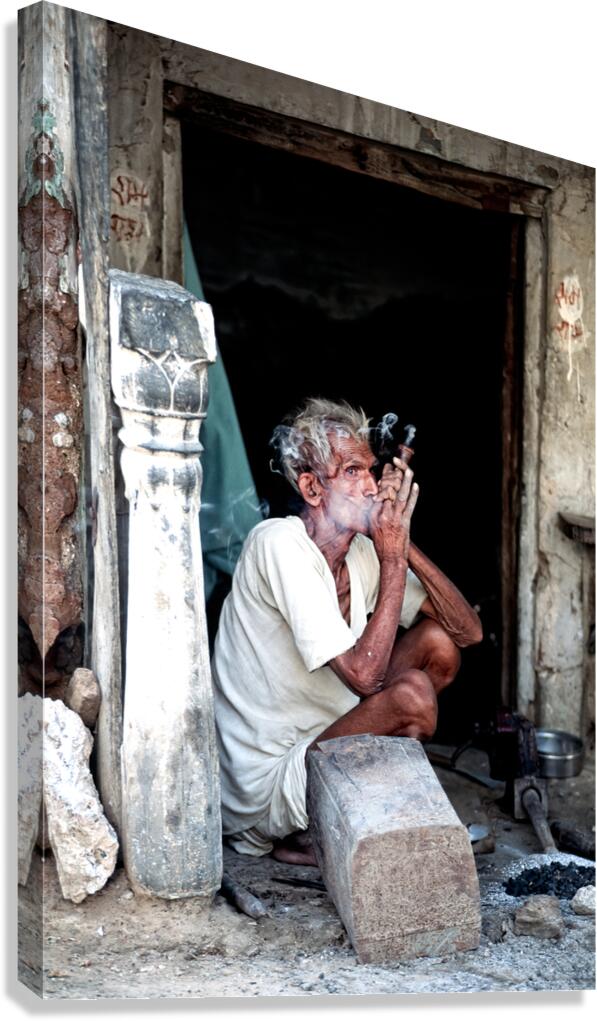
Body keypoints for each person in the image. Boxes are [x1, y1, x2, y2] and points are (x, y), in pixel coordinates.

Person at [211, 398, 482, 866]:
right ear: (313, 489)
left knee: (438, 647)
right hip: (268, 787)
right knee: (412, 695)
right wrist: (392, 557)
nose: (372, 486)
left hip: (327, 742)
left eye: (371, 471)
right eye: (353, 472)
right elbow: (364, 678)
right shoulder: (278, 543)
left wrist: (401, 541)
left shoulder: (361, 553)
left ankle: (354, 813)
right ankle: (316, 830)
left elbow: (468, 632)